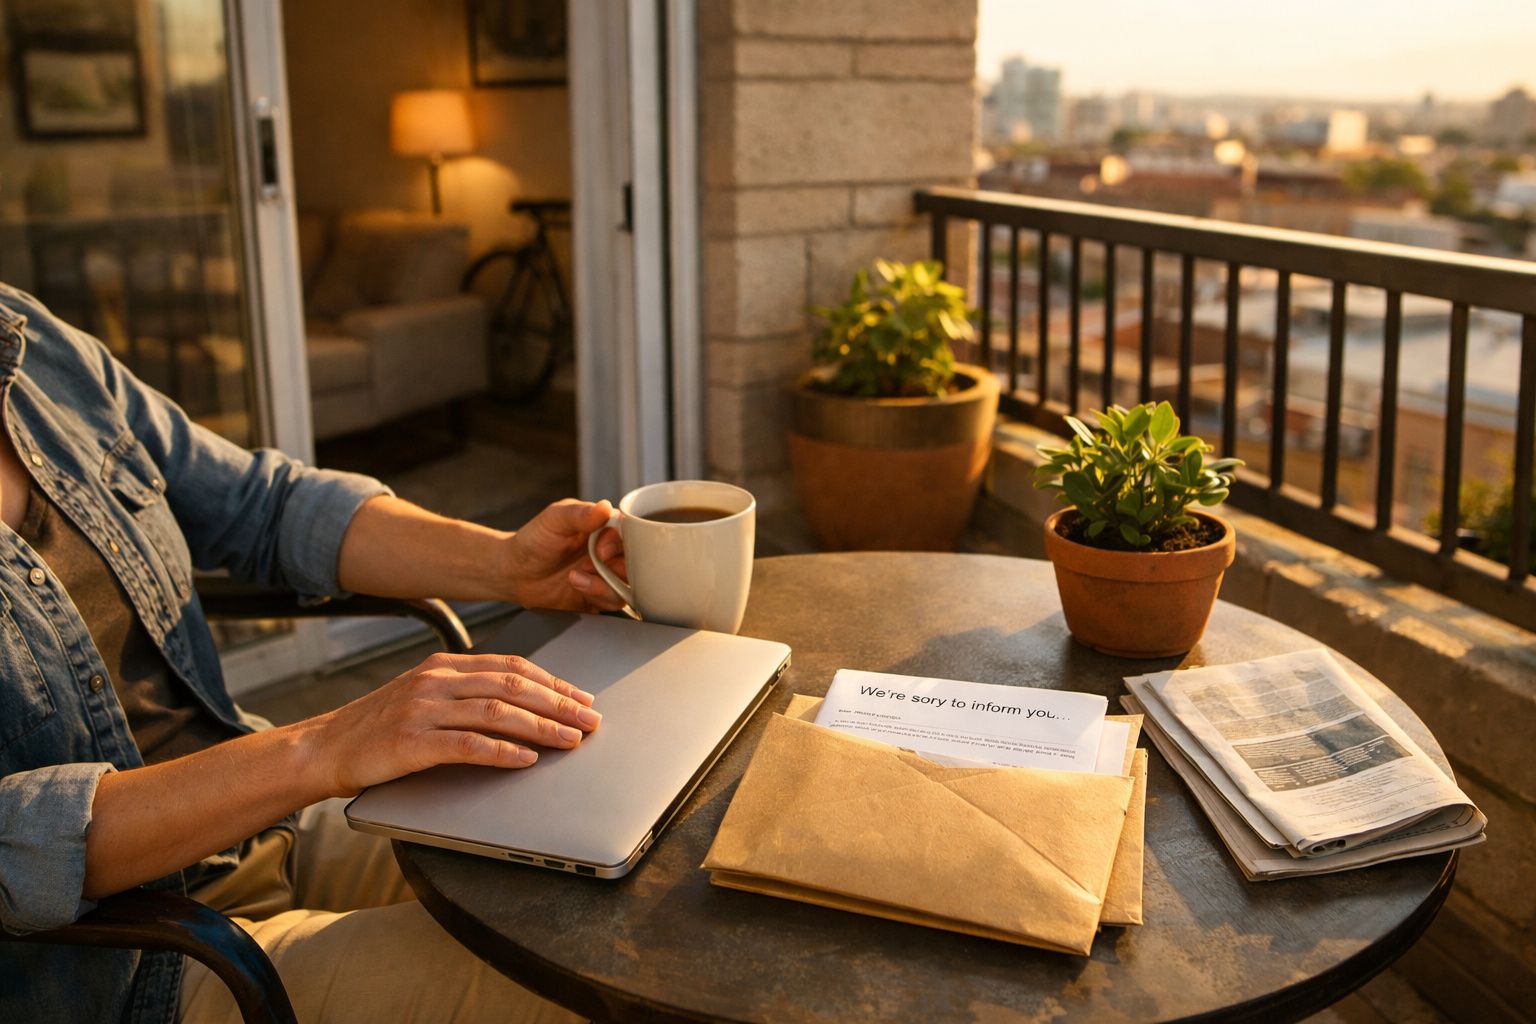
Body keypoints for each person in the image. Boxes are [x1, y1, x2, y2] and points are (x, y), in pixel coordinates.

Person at [0, 282, 626, 1024]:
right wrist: (320, 748)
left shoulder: (32, 345)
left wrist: (508, 566)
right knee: (595, 993)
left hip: (268, 828)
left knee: (615, 871)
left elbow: (261, 505)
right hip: (123, 970)